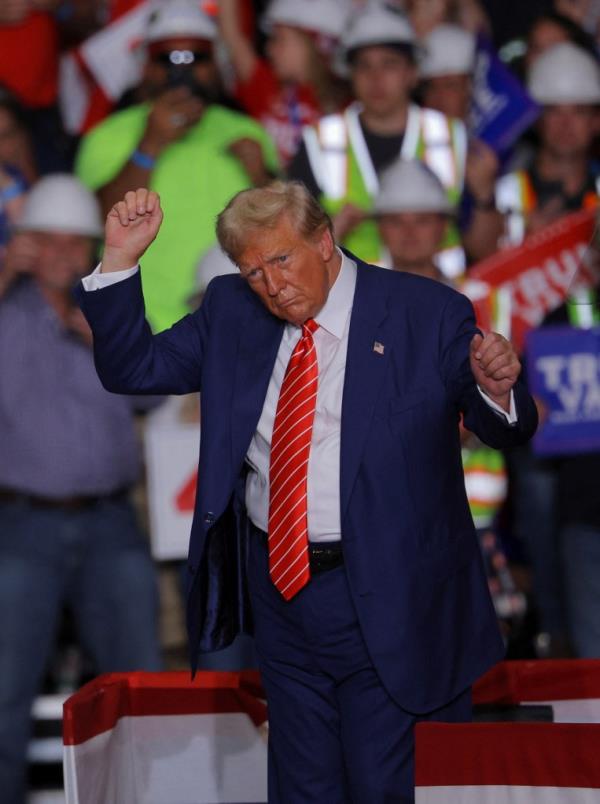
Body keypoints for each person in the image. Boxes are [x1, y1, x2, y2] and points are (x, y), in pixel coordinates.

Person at [77, 180, 537, 802]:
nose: (271, 285)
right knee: (302, 790)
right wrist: (122, 260)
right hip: (282, 596)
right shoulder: (233, 309)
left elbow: (496, 422)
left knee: (384, 788)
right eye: (253, 270)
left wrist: (498, 388)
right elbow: (134, 369)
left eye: (282, 259)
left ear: (324, 241)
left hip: (389, 595)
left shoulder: (423, 312)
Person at [0, 174, 162, 804]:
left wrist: (106, 337)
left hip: (111, 524)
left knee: (139, 683)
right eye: (49, 240)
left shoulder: (112, 308)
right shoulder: (7, 313)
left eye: (77, 241)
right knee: (7, 688)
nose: (65, 254)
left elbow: (157, 389)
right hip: (21, 525)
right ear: (25, 242)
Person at [75, 0, 279, 332]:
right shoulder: (106, 137)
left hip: (237, 328)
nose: (181, 70)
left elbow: (287, 232)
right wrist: (150, 144)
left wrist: (262, 176)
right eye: (166, 57)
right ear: (144, 65)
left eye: (196, 57)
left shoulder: (248, 133)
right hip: (143, 329)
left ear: (218, 63)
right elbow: (92, 227)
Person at [218, 0, 351, 165]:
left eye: (279, 38)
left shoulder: (351, 106)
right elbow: (232, 36)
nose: (269, 49)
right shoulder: (266, 87)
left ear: (314, 43)